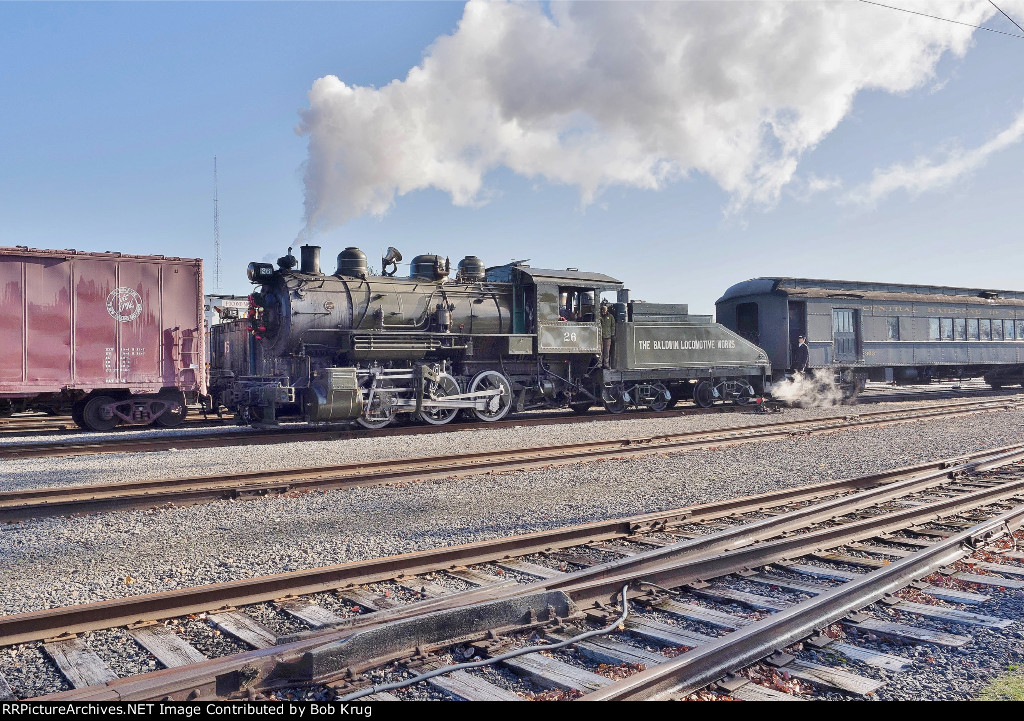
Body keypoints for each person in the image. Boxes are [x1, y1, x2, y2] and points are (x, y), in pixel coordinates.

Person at [599, 302, 616, 369]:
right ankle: (599, 364)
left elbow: (613, 325)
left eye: (604, 311)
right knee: (600, 351)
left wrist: (612, 334)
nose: (603, 312)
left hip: (608, 337)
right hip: (600, 337)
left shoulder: (610, 317)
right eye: (602, 311)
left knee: (606, 351)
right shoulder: (599, 317)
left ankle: (606, 364)